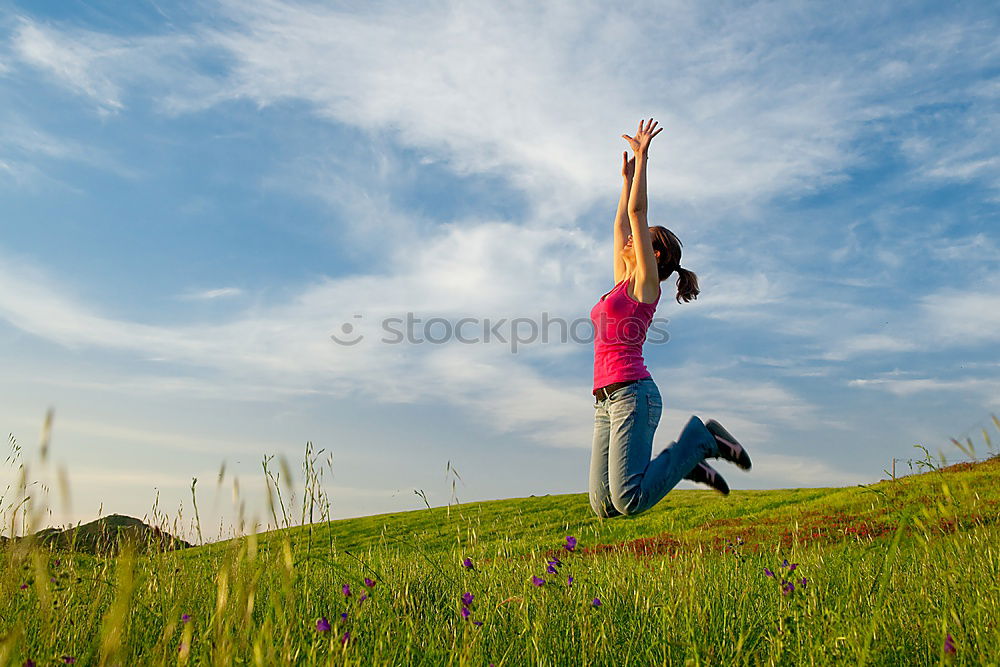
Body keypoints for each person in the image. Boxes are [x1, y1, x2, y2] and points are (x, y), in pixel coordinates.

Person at [588, 118, 752, 518]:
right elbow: (622, 221)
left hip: (632, 395)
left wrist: (643, 158)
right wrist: (624, 179)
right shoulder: (619, 283)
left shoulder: (644, 287)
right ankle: (684, 463)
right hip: (604, 400)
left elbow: (637, 212)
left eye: (640, 239)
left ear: (654, 254)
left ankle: (697, 442)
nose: (629, 238)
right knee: (603, 506)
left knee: (629, 501)